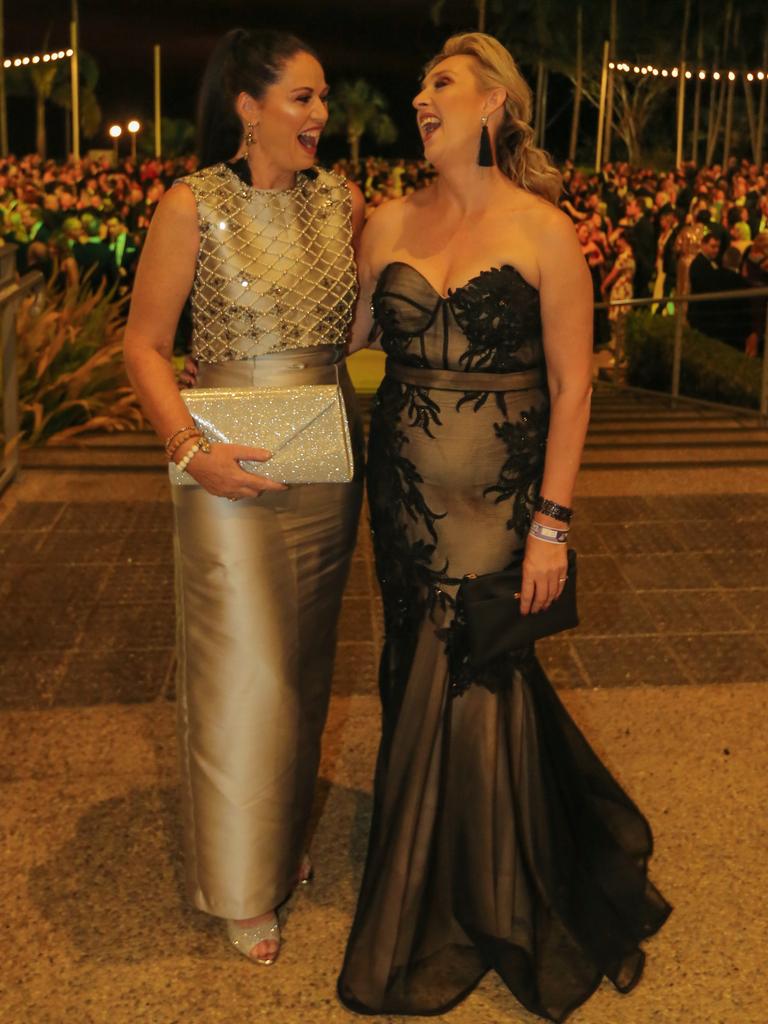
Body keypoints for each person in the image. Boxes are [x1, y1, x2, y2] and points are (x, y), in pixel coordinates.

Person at [338, 33, 670, 1022]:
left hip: (504, 501)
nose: (420, 96)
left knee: (478, 669)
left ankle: (481, 895)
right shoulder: (386, 217)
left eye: (442, 81)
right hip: (402, 500)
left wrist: (553, 527)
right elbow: (351, 346)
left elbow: (573, 390)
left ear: (494, 105)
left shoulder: (543, 230)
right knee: (414, 664)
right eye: (420, 84)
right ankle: (445, 860)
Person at [123, 28, 364, 967]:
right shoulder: (194, 203)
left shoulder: (341, 201)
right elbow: (144, 345)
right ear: (247, 107)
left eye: (324, 97)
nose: (321, 115)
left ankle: (281, 843)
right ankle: (238, 883)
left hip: (322, 466)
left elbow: (354, 330)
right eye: (303, 97)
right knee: (243, 679)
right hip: (224, 472)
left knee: (303, 672)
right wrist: (192, 449)